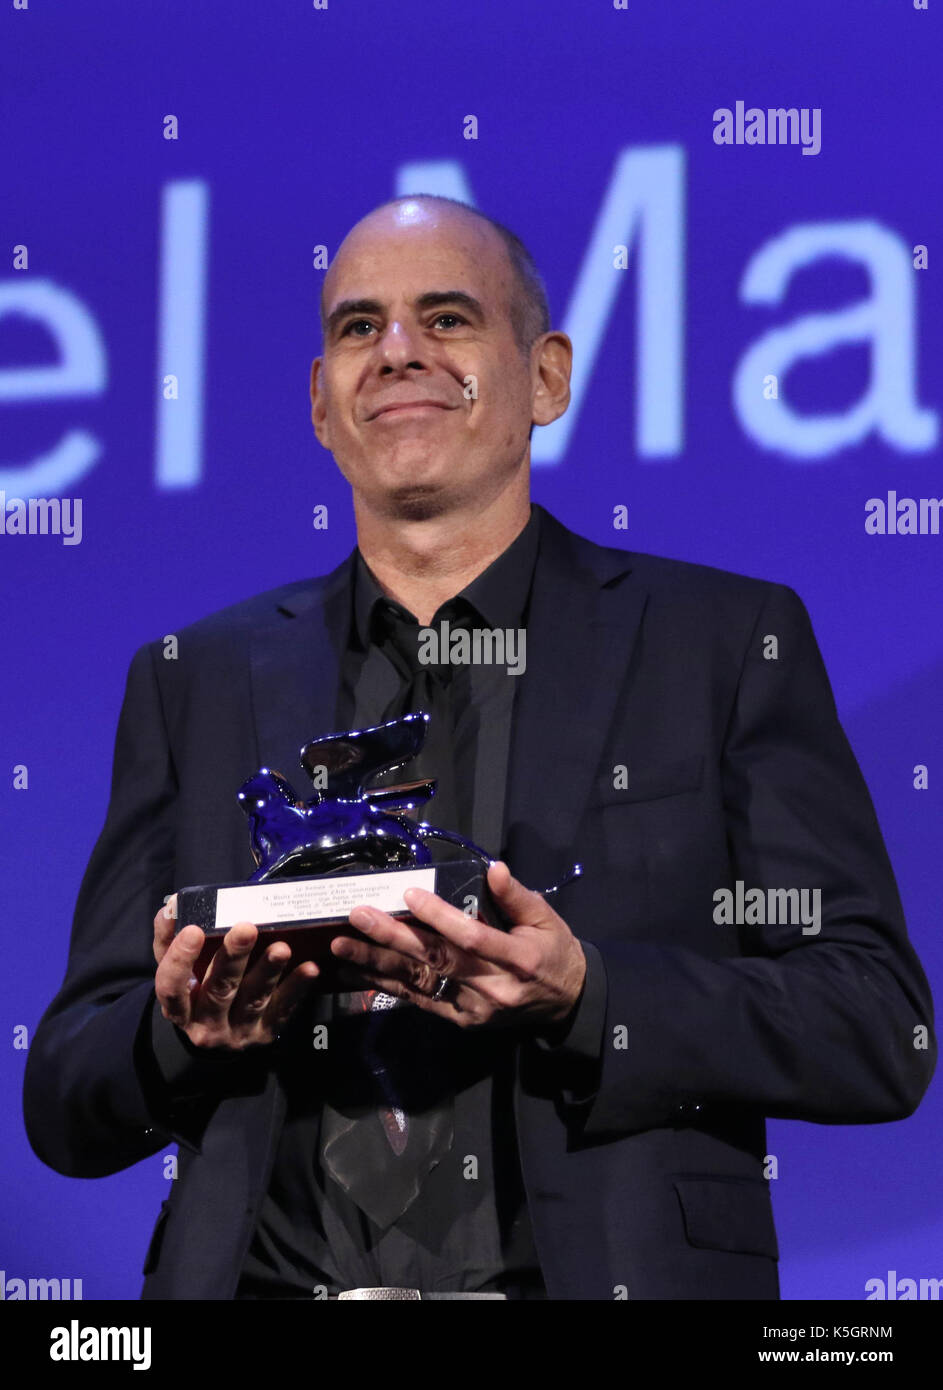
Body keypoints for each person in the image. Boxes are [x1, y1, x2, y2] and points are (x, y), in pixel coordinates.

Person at [23, 195, 936, 1301]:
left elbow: (879, 1024)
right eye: (359, 327)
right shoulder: (193, 678)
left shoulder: (723, 643)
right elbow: (66, 1097)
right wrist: (183, 1033)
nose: (397, 349)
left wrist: (588, 994)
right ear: (321, 402)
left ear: (545, 376)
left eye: (446, 318)